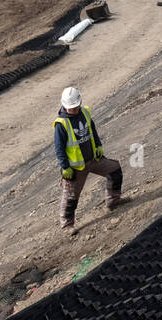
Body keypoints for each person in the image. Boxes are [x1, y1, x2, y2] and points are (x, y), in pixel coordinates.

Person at [54, 87, 126, 233]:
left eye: (75, 107)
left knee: (115, 169)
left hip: (93, 159)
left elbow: (92, 131)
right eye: (70, 108)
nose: (73, 110)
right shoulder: (61, 124)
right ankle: (67, 224)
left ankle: (113, 201)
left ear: (80, 103)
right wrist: (65, 167)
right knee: (71, 196)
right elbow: (59, 148)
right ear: (64, 106)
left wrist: (98, 145)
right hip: (76, 168)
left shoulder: (85, 112)